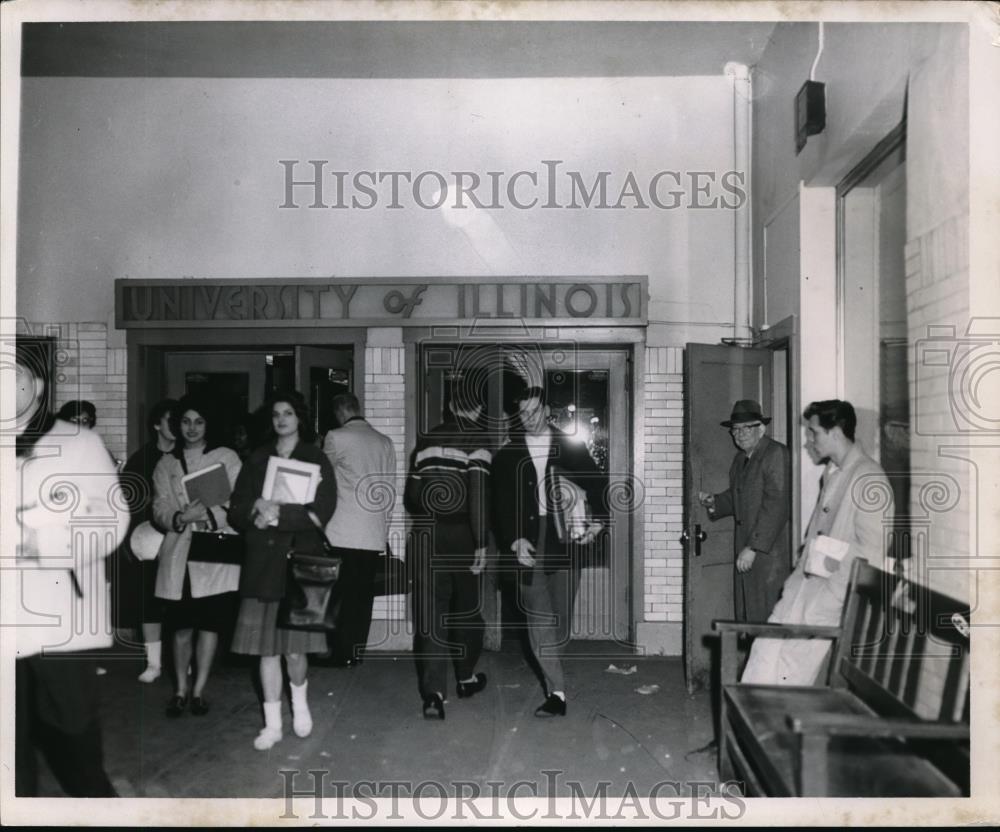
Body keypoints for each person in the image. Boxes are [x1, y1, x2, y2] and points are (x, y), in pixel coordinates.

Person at [11, 343, 128, 796]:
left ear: (36, 386)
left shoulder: (80, 444)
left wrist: (36, 543)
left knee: (74, 742)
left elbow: (110, 523)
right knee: (10, 751)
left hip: (61, 618)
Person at [740, 399, 893, 685]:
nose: (808, 441)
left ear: (835, 432)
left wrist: (823, 563)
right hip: (803, 588)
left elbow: (873, 555)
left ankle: (777, 728)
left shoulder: (869, 478)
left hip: (829, 596)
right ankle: (748, 727)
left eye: (814, 433)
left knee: (792, 668)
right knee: (764, 650)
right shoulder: (833, 473)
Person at [230, 391, 337, 750]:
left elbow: (323, 509)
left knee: (295, 650)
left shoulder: (316, 458)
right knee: (265, 651)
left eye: (288, 413)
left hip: (299, 561)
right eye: (276, 414)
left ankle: (301, 708)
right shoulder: (257, 458)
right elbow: (236, 509)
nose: (281, 419)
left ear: (300, 419)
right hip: (262, 563)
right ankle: (272, 724)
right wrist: (254, 509)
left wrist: (279, 514)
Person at [492, 385, 607, 718]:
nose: (528, 418)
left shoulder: (570, 446)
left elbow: (597, 484)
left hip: (565, 537)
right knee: (538, 615)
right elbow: (498, 504)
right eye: (522, 412)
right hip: (528, 539)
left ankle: (553, 667)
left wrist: (598, 522)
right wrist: (513, 539)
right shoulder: (508, 452)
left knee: (561, 617)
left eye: (533, 411)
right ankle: (556, 691)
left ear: (546, 410)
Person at [404, 378, 491, 719]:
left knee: (431, 614)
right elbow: (479, 495)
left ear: (451, 406)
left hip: (425, 534)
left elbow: (412, 498)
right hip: (462, 535)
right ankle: (466, 678)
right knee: (467, 609)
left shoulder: (425, 442)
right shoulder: (477, 440)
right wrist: (482, 542)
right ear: (478, 408)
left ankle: (433, 694)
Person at [152, 394, 242, 717]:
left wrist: (207, 514)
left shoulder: (226, 457)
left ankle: (199, 690)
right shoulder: (166, 463)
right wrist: (178, 518)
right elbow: (159, 505)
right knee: (180, 627)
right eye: (186, 422)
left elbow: (237, 502)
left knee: (209, 625)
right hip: (179, 551)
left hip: (213, 552)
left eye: (199, 421)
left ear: (209, 425)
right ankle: (179, 689)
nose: (192, 428)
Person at [698, 399, 791, 622]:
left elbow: (776, 504)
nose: (739, 434)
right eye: (735, 429)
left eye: (746, 427)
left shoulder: (776, 454)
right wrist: (714, 502)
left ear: (761, 428)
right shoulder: (741, 459)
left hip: (768, 555)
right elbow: (739, 496)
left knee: (767, 616)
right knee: (750, 615)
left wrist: (753, 547)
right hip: (750, 549)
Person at [322, 392, 397, 667]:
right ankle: (355, 653)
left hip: (342, 531)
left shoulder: (335, 437)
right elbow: (389, 491)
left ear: (340, 413)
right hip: (372, 533)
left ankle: (336, 652)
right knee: (362, 598)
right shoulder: (384, 442)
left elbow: (322, 479)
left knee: (337, 594)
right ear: (356, 409)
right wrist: (384, 530)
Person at [116, 398, 178, 682]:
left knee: (180, 602)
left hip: (180, 540)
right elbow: (128, 505)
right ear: (157, 425)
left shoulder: (186, 457)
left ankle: (181, 661)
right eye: (171, 420)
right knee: (150, 600)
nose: (178, 427)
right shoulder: (141, 460)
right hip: (149, 541)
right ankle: (154, 663)